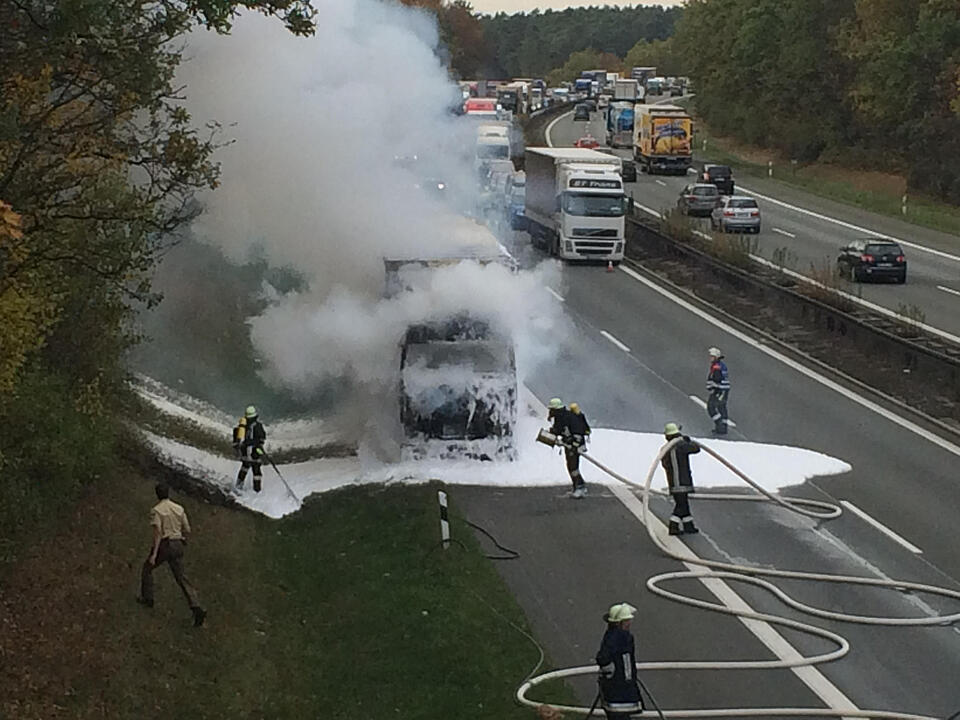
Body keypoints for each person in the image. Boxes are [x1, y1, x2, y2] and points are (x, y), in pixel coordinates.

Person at [139, 483, 206, 627]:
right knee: (181, 578)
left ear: (157, 494)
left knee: (147, 569)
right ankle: (196, 606)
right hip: (178, 543)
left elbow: (158, 533)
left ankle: (148, 598)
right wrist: (182, 538)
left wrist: (154, 554)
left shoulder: (157, 510)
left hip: (166, 544)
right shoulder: (179, 508)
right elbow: (187, 528)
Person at [595, 602, 643, 719]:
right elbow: (604, 659)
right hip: (621, 693)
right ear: (619, 623)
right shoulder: (621, 638)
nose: (629, 623)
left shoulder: (611, 636)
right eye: (627, 621)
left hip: (617, 692)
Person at [547, 398, 591, 499]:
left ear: (556, 409)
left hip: (576, 446)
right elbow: (559, 430)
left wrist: (575, 446)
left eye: (552, 410)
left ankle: (580, 487)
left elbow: (578, 433)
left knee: (573, 467)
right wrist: (552, 434)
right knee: (571, 466)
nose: (550, 412)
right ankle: (577, 487)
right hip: (569, 445)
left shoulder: (569, 417)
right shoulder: (560, 418)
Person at [662, 422, 701, 535]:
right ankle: (673, 526)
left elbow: (665, 464)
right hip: (682, 481)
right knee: (681, 505)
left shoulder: (665, 449)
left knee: (683, 503)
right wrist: (687, 440)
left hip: (673, 482)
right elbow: (696, 448)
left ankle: (688, 525)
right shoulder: (681, 446)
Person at [235, 405, 267, 492]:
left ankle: (238, 486)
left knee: (244, 469)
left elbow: (238, 439)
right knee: (256, 472)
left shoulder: (243, 426)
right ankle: (257, 490)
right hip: (254, 453)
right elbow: (262, 438)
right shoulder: (258, 426)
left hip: (245, 453)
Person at [706, 347, 730, 435]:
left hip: (719, 390)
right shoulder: (721, 365)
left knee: (711, 407)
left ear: (716, 357)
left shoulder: (716, 367)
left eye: (712, 356)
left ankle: (720, 425)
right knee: (722, 407)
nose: (710, 358)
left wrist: (712, 388)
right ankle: (723, 427)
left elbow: (716, 379)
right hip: (724, 390)